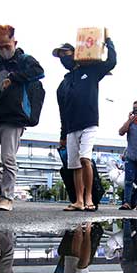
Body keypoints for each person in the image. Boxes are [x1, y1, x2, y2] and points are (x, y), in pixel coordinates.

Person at [0, 25, 44, 212]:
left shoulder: (25, 61)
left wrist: (14, 77)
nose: (3, 50)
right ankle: (5, 185)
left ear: (14, 42)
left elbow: (39, 72)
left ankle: (7, 196)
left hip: (14, 117)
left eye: (6, 46)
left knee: (8, 158)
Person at [53, 35, 117, 212]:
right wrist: (62, 134)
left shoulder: (92, 71)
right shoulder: (63, 84)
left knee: (85, 158)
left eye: (65, 53)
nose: (63, 58)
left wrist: (108, 42)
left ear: (75, 53)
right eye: (60, 56)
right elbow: (62, 112)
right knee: (74, 164)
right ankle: (78, 200)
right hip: (71, 127)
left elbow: (111, 62)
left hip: (89, 122)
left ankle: (89, 197)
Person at [118, 100, 137, 210]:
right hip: (130, 155)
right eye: (134, 107)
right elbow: (121, 132)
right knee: (128, 180)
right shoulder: (130, 122)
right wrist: (129, 120)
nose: (136, 109)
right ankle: (127, 202)